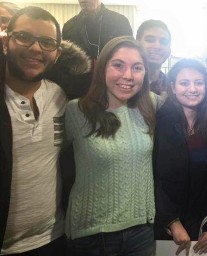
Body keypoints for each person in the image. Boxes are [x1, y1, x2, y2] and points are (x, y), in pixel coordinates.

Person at [65, 36, 160, 256]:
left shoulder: (150, 105)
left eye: (137, 68)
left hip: (141, 232)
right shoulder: (76, 111)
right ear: (102, 67)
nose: (128, 76)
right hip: (91, 236)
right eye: (118, 65)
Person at [0, 6, 66, 255]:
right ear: (6, 42)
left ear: (58, 53)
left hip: (53, 239)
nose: (36, 49)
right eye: (24, 37)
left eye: (47, 42)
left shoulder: (59, 96)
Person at [154, 59, 207, 255]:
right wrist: (172, 221)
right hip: (164, 226)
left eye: (199, 83)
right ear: (172, 87)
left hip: (204, 224)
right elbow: (152, 178)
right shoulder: (158, 123)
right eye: (184, 83)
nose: (192, 89)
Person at [62, 0, 132, 98]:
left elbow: (129, 55)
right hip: (79, 91)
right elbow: (66, 64)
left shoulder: (120, 22)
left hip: (113, 87)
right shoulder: (69, 27)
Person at [136, 19, 171, 96]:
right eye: (150, 40)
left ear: (169, 50)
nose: (157, 46)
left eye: (163, 42)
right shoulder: (125, 82)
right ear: (137, 44)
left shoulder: (172, 89)